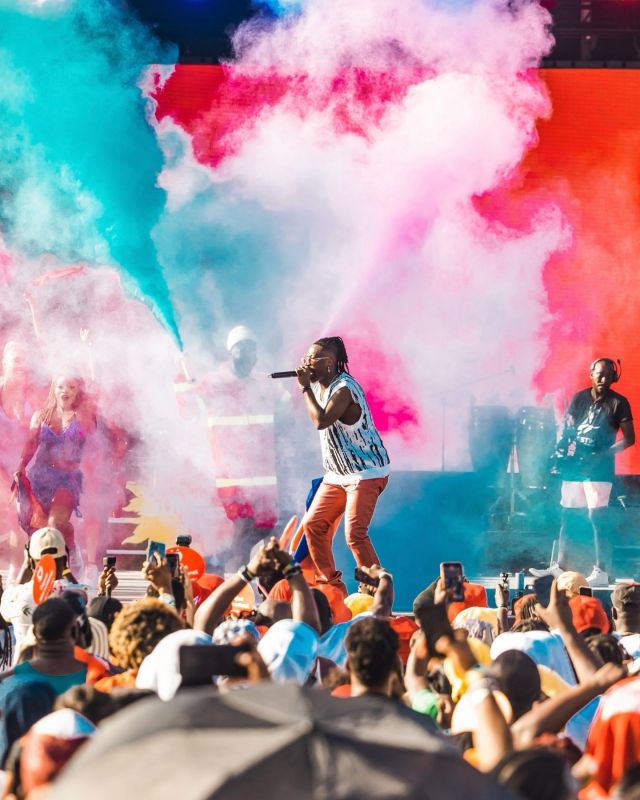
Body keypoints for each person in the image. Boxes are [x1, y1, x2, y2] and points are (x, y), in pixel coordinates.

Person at [296, 336, 390, 595]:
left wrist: (305, 388)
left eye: (312, 359)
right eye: (305, 358)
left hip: (365, 472)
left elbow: (322, 420)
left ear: (330, 364)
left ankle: (376, 591)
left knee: (355, 534)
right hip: (337, 473)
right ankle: (332, 588)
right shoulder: (318, 384)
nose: (306, 364)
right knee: (313, 524)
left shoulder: (344, 389)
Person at [532, 358, 634, 586]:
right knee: (567, 516)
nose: (604, 379)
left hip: (599, 469)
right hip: (575, 467)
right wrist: (559, 453)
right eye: (600, 374)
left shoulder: (619, 402)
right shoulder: (579, 398)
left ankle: (601, 572)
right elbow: (569, 429)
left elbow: (629, 439)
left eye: (609, 375)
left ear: (614, 377)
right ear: (591, 374)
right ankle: (561, 568)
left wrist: (602, 455)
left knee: (597, 518)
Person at [198, 325, 281, 567]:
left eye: (252, 349)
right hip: (230, 472)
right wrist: (184, 381)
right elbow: (189, 408)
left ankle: (229, 564)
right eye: (242, 348)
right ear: (231, 350)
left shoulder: (265, 383)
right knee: (239, 526)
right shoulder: (213, 382)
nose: (249, 355)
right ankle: (228, 568)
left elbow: (288, 411)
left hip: (263, 474)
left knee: (264, 527)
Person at [13, 374, 97, 560]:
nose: (65, 390)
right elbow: (31, 444)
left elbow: (91, 432)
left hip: (67, 479)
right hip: (40, 477)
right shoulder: (40, 416)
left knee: (53, 524)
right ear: (54, 390)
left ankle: (63, 566)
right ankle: (70, 544)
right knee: (40, 530)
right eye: (61, 386)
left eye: (71, 387)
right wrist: (21, 466)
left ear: (78, 392)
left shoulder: (83, 417)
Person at [0, 526, 78, 658]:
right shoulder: (81, 596)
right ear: (65, 560)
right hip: (69, 674)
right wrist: (66, 570)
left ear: (31, 561)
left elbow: (5, 613)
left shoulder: (15, 596)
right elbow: (83, 596)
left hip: (26, 674)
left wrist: (26, 565)